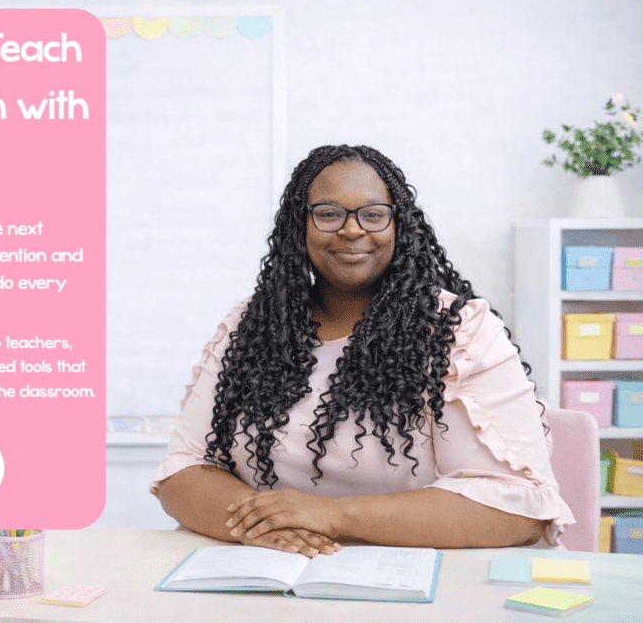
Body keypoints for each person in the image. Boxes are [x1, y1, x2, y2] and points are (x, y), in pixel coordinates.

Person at [151, 145, 573, 557]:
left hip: (422, 582)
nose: (352, 230)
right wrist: (264, 528)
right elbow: (183, 469)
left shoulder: (459, 331)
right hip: (275, 570)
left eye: (373, 214)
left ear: (399, 226)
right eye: (329, 214)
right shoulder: (251, 326)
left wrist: (330, 516)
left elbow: (516, 507)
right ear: (300, 227)